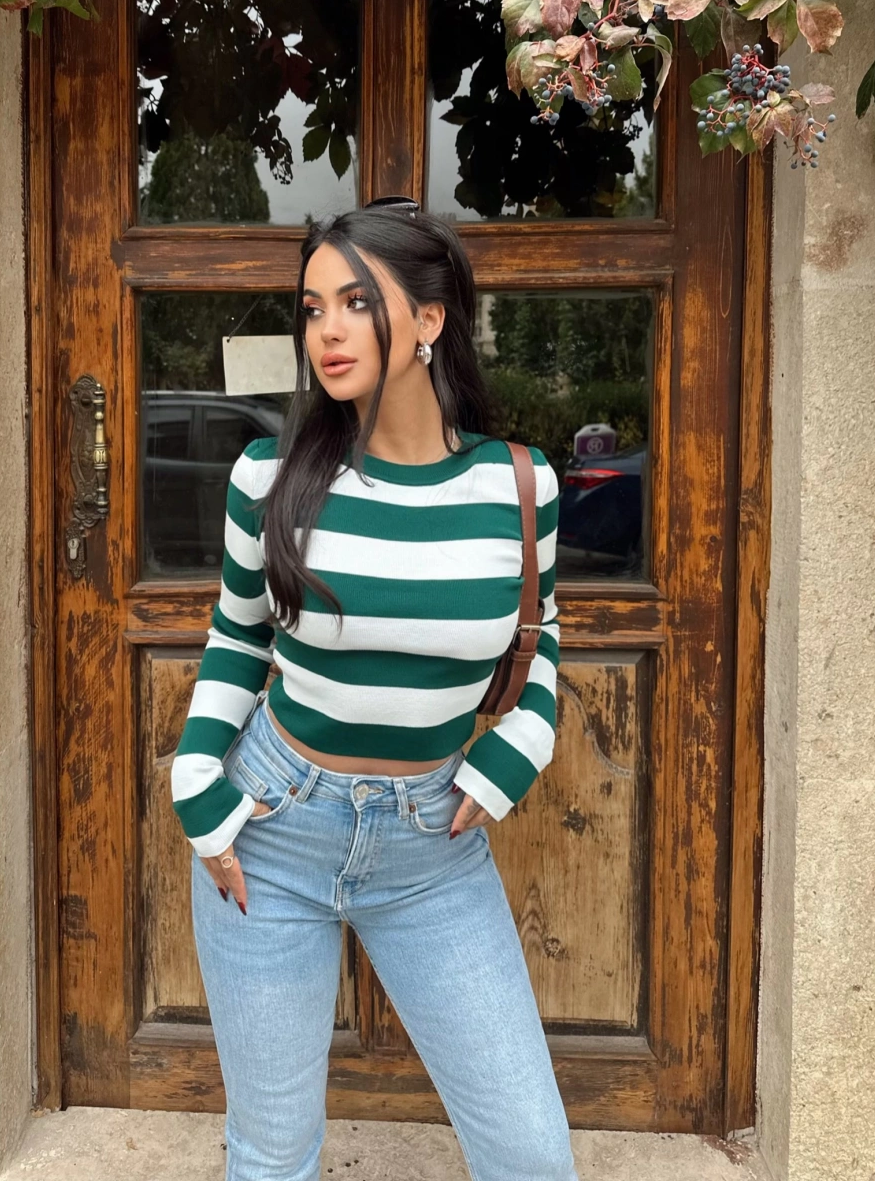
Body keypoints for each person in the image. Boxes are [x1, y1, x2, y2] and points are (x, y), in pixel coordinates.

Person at [170, 199, 579, 1181]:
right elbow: (237, 637)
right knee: (272, 1155)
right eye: (313, 308)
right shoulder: (270, 477)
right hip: (271, 832)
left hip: (432, 848)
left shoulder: (520, 486)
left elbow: (540, 642)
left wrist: (514, 754)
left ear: (429, 320)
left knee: (530, 1155)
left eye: (358, 302)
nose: (328, 330)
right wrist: (196, 783)